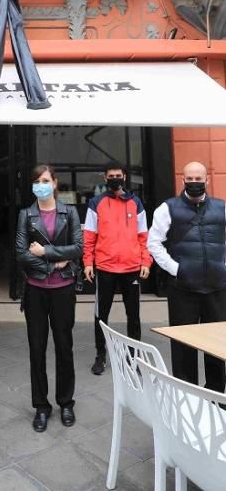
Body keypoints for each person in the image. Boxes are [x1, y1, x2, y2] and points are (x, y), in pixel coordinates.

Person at [147, 161, 226, 392]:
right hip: (183, 288)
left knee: (218, 344)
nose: (194, 183)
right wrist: (176, 269)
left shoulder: (222, 207)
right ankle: (186, 395)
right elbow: (154, 243)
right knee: (183, 347)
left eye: (198, 179)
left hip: (217, 287)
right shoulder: (167, 208)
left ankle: (216, 393)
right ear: (182, 180)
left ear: (207, 180)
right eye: (189, 179)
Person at [16, 164, 82, 433]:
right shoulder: (26, 214)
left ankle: (66, 402)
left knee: (64, 347)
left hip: (63, 289)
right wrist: (53, 264)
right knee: (37, 348)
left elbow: (78, 247)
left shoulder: (71, 212)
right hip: (36, 289)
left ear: (55, 183)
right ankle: (41, 406)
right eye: (36, 181)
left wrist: (45, 251)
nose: (40, 185)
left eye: (45, 180)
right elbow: (20, 252)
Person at [83, 161, 152, 376]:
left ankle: (134, 357)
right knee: (101, 315)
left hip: (132, 267)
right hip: (105, 267)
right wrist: (87, 262)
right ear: (105, 178)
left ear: (124, 176)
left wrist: (145, 261)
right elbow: (89, 237)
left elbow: (144, 236)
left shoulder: (136, 203)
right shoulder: (96, 203)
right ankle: (100, 355)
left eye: (118, 175)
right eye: (111, 175)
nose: (115, 178)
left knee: (134, 316)